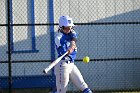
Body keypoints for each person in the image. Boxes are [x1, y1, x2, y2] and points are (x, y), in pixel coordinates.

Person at [54, 16, 92, 93]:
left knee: (84, 86)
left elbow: (74, 37)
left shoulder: (71, 32)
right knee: (61, 91)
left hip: (71, 64)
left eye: (70, 27)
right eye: (66, 28)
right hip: (63, 66)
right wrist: (70, 50)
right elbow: (64, 53)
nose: (68, 29)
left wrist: (73, 43)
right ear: (61, 27)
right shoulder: (59, 38)